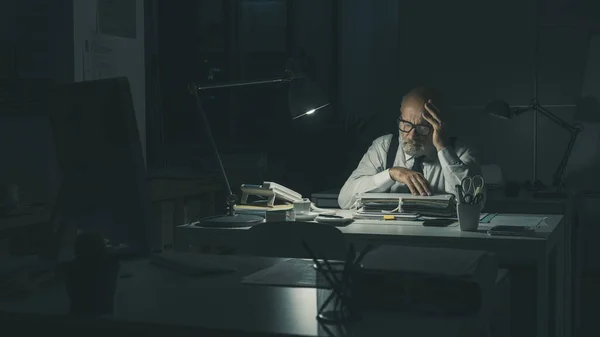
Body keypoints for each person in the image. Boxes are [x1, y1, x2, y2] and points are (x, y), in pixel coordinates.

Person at [338, 86, 482, 209]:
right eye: (406, 124)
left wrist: (443, 148)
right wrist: (391, 174)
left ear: (439, 126)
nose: (412, 135)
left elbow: (475, 204)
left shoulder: (461, 152)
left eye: (422, 127)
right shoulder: (384, 147)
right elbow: (344, 200)